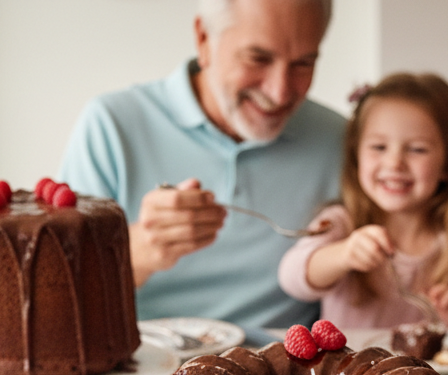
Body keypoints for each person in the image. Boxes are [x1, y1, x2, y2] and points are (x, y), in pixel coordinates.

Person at [58, 0, 345, 329]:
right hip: (149, 369)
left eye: (303, 64)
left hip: (286, 370)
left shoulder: (341, 140)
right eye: (258, 58)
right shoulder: (111, 126)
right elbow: (60, 298)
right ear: (204, 39)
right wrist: (132, 253)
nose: (280, 92)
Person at [278, 73, 448, 330]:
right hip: (350, 369)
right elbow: (291, 277)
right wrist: (344, 254)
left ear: (447, 165)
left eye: (417, 149)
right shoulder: (340, 224)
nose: (395, 163)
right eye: (378, 147)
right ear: (356, 156)